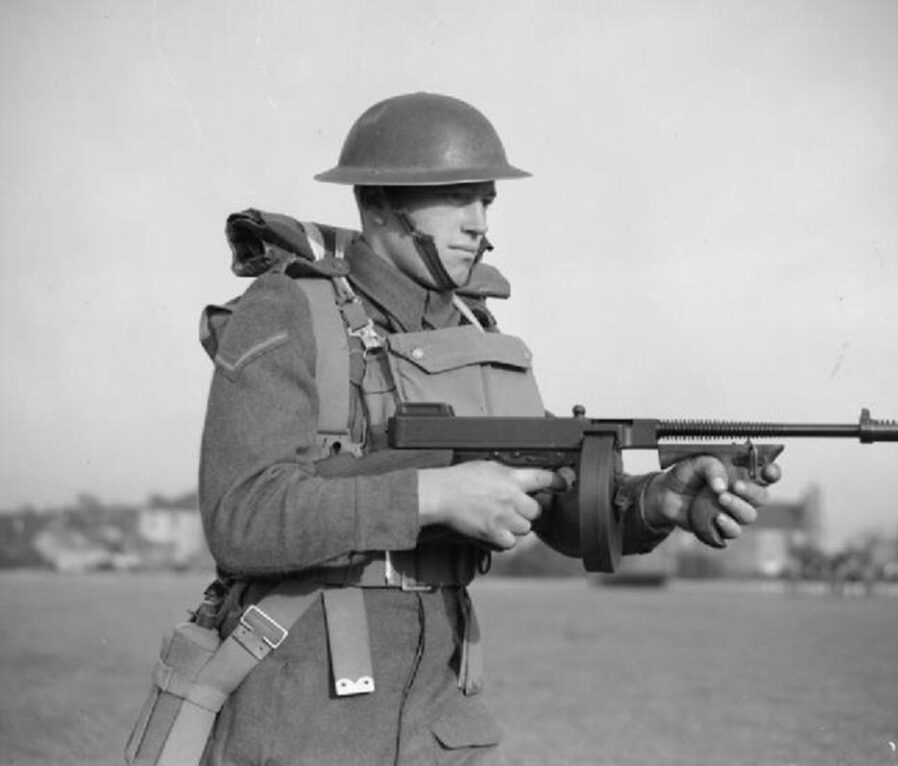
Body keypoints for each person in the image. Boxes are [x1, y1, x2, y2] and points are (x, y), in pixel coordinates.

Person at [196, 91, 780, 765]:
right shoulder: (288, 312)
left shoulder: (476, 331)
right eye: (455, 197)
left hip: (440, 723)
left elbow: (556, 499)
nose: (479, 222)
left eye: (487, 200)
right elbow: (241, 516)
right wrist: (437, 497)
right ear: (381, 202)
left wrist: (660, 500)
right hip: (306, 721)